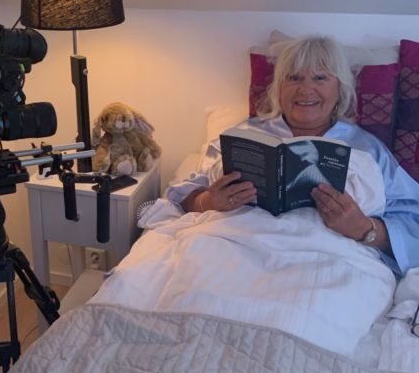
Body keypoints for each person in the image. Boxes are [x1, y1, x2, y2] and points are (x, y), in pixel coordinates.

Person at [168, 36, 419, 277]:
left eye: (320, 78)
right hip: (234, 247)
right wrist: (209, 201)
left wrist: (364, 228)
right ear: (279, 88)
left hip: (331, 260)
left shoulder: (368, 148)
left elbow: (412, 219)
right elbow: (182, 200)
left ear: (340, 89)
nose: (305, 89)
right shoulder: (242, 136)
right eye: (294, 78)